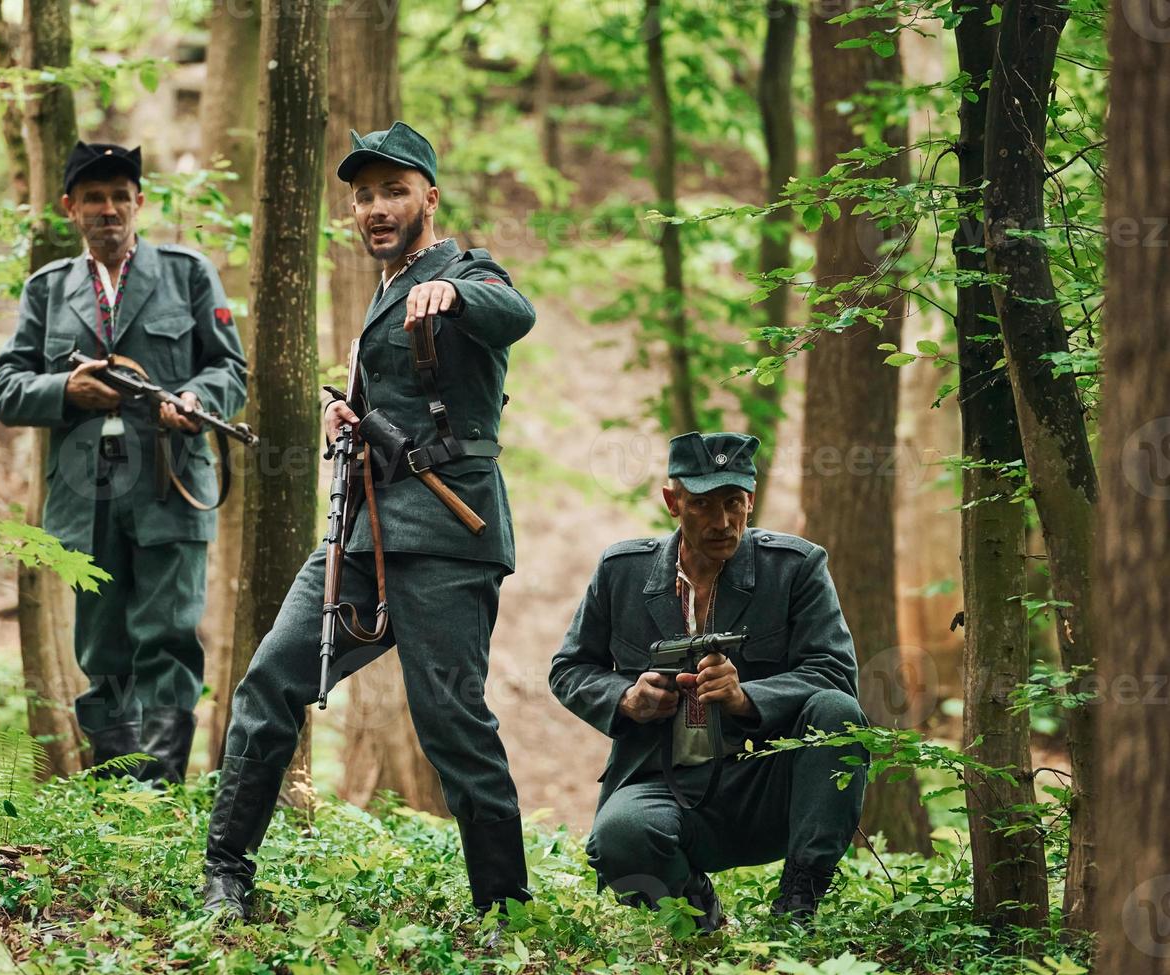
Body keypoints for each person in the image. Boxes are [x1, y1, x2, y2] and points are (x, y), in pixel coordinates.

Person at [201, 121, 537, 921]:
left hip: (449, 540)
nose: (376, 207)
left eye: (393, 190)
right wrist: (343, 416)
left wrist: (457, 293)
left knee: (452, 724)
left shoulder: (463, 268)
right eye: (363, 196)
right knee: (269, 682)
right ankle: (225, 875)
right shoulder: (382, 293)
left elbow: (514, 313)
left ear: (429, 196)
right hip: (360, 536)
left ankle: (506, 909)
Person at [0, 141, 247, 784]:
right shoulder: (48, 290)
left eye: (120, 197)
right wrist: (63, 391)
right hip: (85, 493)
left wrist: (196, 398)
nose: (109, 210)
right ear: (71, 208)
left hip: (169, 484)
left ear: (139, 203)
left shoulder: (186, 273)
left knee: (168, 635)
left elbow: (230, 369)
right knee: (102, 651)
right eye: (95, 198)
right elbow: (4, 388)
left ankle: (154, 799)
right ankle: (115, 798)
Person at [548, 432, 868, 929]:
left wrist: (746, 698)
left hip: (768, 779)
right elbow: (569, 668)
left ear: (751, 500)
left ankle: (797, 905)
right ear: (672, 502)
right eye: (701, 505)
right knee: (620, 839)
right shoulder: (622, 572)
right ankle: (702, 919)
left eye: (733, 503)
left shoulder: (796, 568)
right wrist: (627, 698)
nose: (721, 522)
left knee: (837, 713)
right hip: (663, 780)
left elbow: (833, 673)